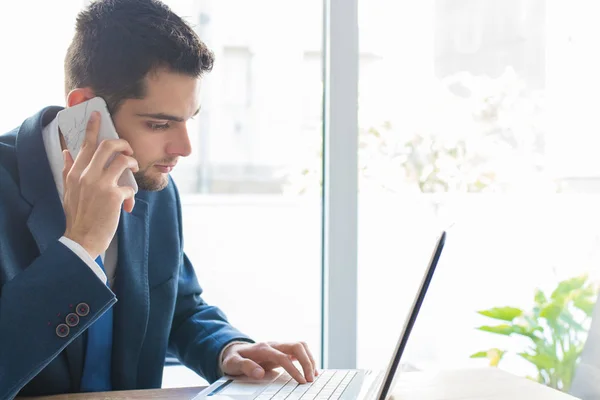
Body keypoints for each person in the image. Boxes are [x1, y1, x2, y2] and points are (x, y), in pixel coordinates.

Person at [0, 0, 317, 398]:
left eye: (189, 120)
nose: (183, 148)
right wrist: (80, 248)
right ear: (84, 109)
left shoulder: (151, 185)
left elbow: (179, 308)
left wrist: (227, 348)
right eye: (159, 124)